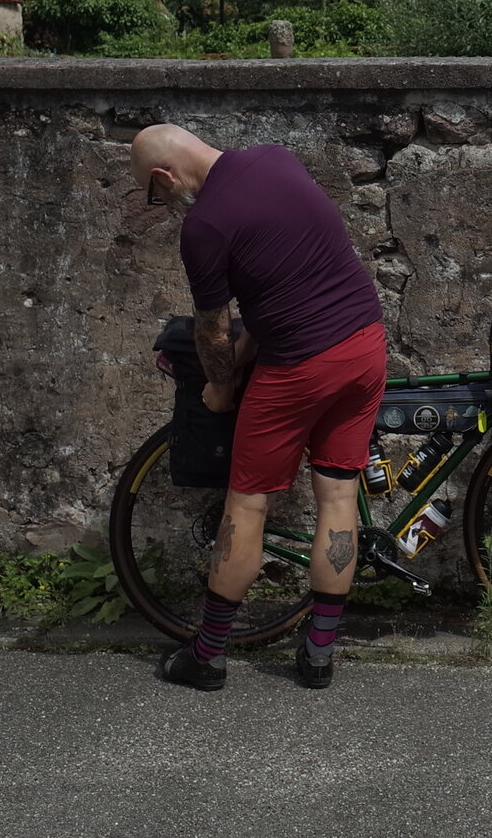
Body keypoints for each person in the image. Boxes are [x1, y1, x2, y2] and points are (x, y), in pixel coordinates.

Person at [130, 123, 387, 692]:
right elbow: (281, 293)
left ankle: (208, 655)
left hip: (299, 367)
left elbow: (212, 333)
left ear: (163, 176)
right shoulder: (277, 159)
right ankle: (319, 653)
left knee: (246, 507)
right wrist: (247, 356)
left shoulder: (204, 224)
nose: (163, 204)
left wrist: (220, 389)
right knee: (339, 493)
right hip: (365, 345)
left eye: (155, 195)